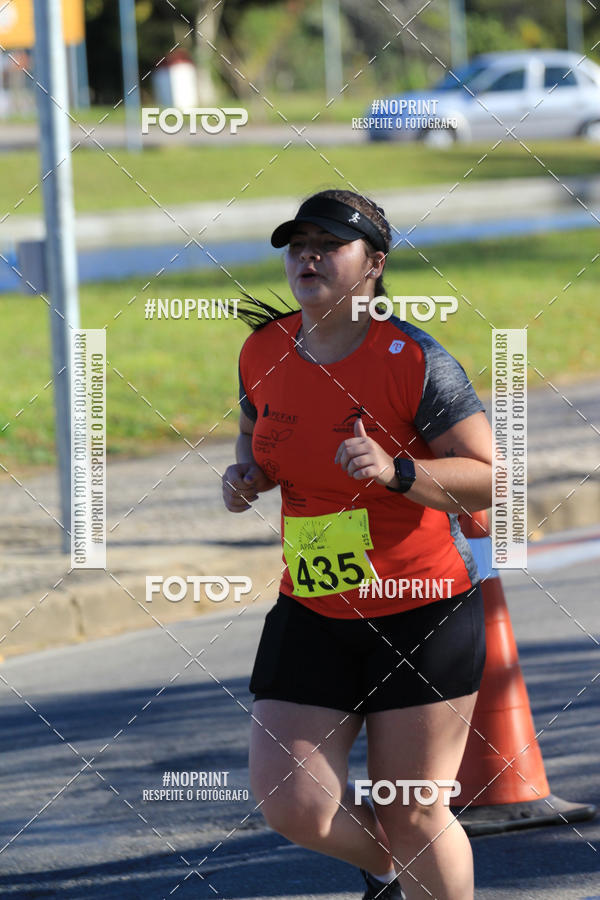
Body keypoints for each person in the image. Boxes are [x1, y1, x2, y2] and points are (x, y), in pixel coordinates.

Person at [222, 189, 492, 900]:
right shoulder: (263, 348)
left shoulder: (414, 361)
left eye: (328, 243)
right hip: (313, 604)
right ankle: (382, 869)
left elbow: (494, 479)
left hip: (421, 610)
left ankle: (405, 859)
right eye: (297, 243)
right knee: (295, 807)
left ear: (372, 263)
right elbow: (259, 430)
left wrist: (399, 470)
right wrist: (246, 473)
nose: (306, 255)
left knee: (412, 809)